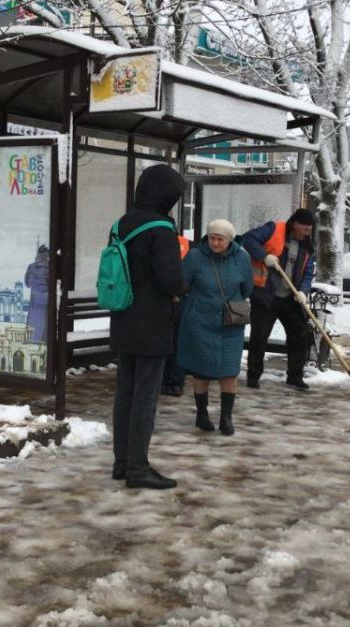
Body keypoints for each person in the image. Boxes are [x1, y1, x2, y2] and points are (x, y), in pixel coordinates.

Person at [110, 164, 187, 490]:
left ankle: (122, 463)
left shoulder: (121, 224)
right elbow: (170, 279)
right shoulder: (162, 229)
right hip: (153, 322)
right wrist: (183, 287)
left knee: (125, 393)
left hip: (123, 317)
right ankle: (139, 469)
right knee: (145, 396)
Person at [177, 219, 253, 435]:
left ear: (230, 240)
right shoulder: (195, 256)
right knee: (201, 370)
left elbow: (247, 288)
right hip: (200, 321)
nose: (215, 243)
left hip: (230, 321)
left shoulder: (242, 257)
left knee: (229, 370)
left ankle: (226, 418)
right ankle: (202, 414)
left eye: (220, 239)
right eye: (212, 238)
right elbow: (183, 282)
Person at [242, 208, 316, 390]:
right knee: (259, 336)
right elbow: (248, 238)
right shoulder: (273, 229)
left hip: (290, 297)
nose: (307, 233)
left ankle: (295, 376)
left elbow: (307, 272)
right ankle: (253, 376)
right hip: (266, 295)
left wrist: (304, 292)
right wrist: (264, 256)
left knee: (300, 333)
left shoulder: (307, 246)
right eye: (305, 229)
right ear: (296, 224)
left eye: (310, 230)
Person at [161, 230, 193, 397]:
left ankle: (165, 382)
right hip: (182, 298)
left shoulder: (157, 243)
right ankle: (175, 383)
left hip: (163, 300)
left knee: (164, 341)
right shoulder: (188, 245)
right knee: (178, 343)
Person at [25, 244, 50, 341]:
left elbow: (27, 283)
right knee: (44, 328)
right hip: (45, 303)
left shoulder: (31, 267)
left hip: (35, 303)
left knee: (33, 329)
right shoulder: (49, 268)